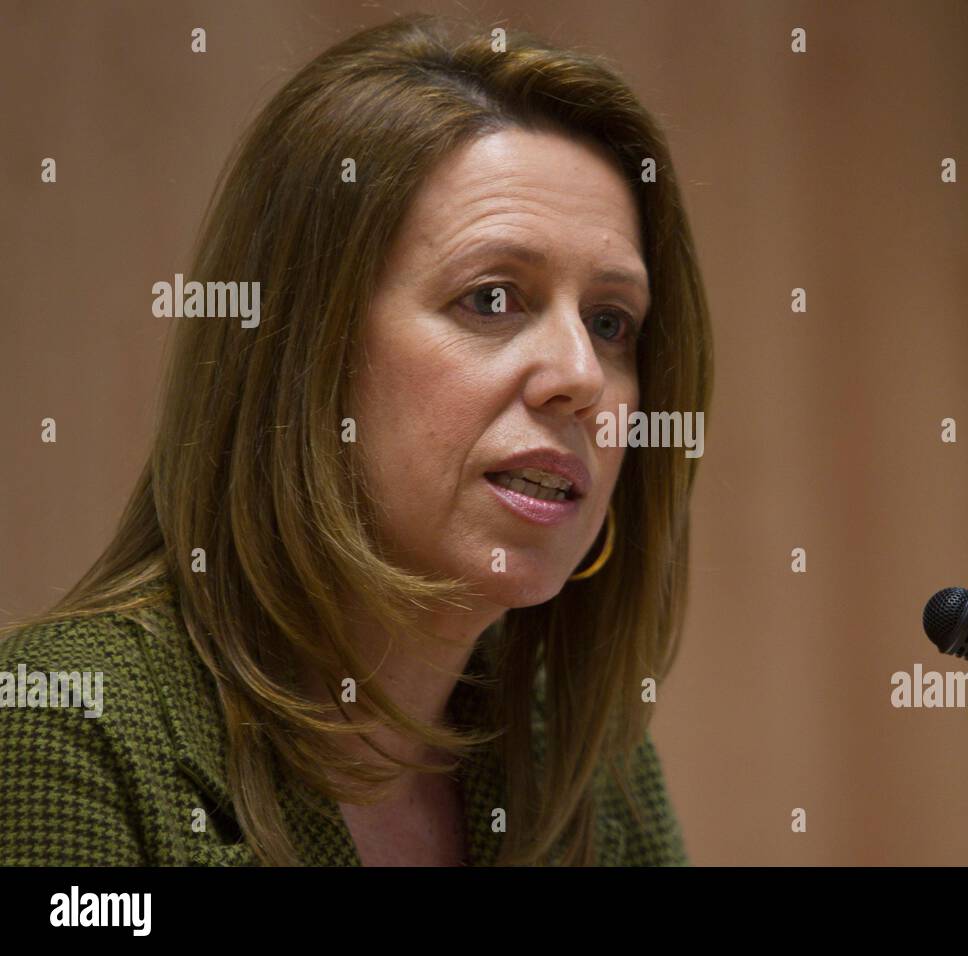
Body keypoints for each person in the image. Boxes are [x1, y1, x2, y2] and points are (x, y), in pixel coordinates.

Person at [0, 13, 713, 867]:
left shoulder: (586, 760)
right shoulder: (63, 727)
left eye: (610, 321)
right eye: (493, 298)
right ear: (305, 352)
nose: (581, 376)